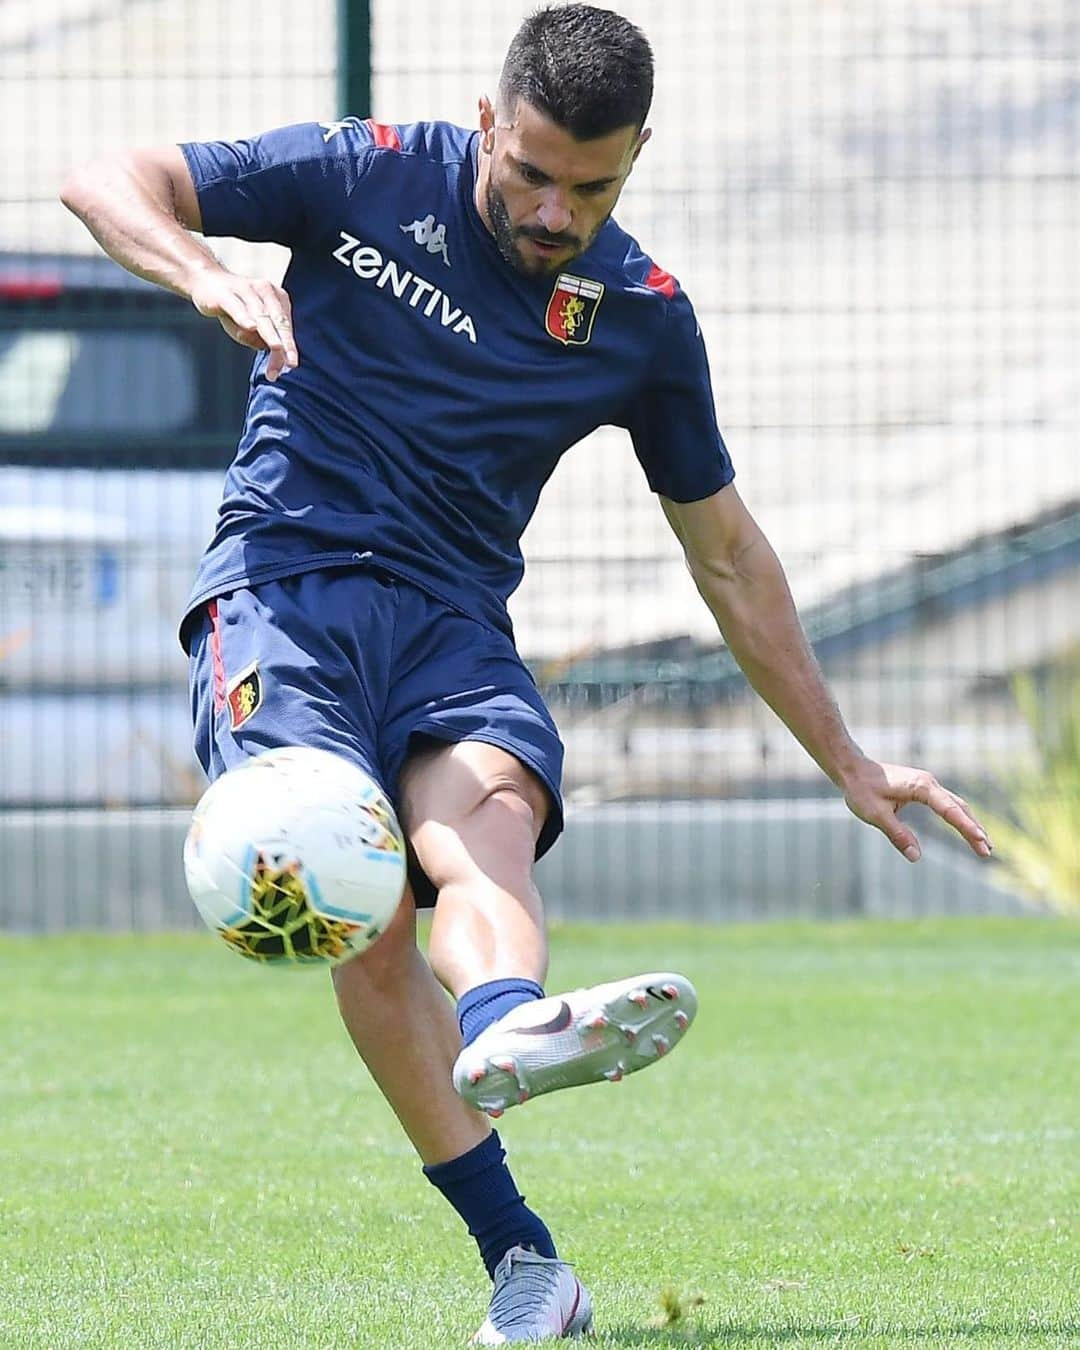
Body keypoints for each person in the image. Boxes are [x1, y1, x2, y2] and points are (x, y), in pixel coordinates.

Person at [61, 4, 992, 1341]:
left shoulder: (642, 319)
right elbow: (106, 179)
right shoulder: (363, 169)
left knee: (481, 821)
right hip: (285, 590)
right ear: (488, 122)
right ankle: (524, 1255)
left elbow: (727, 556)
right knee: (363, 903)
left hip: (451, 622)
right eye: (534, 172)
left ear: (639, 157)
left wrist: (845, 757)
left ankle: (506, 1021)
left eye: (595, 185)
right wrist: (199, 269)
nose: (559, 211)